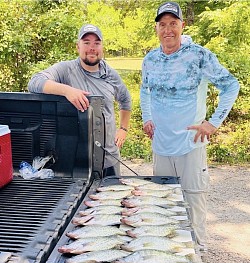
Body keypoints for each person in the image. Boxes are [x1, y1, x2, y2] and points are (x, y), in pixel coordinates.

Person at [140, 2, 240, 249]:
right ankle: (169, 253)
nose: (168, 30)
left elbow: (231, 85)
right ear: (157, 28)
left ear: (182, 25)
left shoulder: (199, 55)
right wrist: (147, 117)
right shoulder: (150, 58)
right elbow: (144, 90)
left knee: (193, 202)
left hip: (190, 144)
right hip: (161, 145)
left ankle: (196, 257)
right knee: (164, 203)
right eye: (162, 25)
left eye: (173, 23)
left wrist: (214, 122)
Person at [28, 24, 131, 177]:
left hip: (109, 160)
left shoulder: (111, 74)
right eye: (87, 42)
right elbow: (34, 82)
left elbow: (125, 100)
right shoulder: (66, 70)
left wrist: (123, 129)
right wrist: (67, 90)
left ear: (102, 47)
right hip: (76, 162)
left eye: (97, 43)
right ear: (78, 46)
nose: (92, 47)